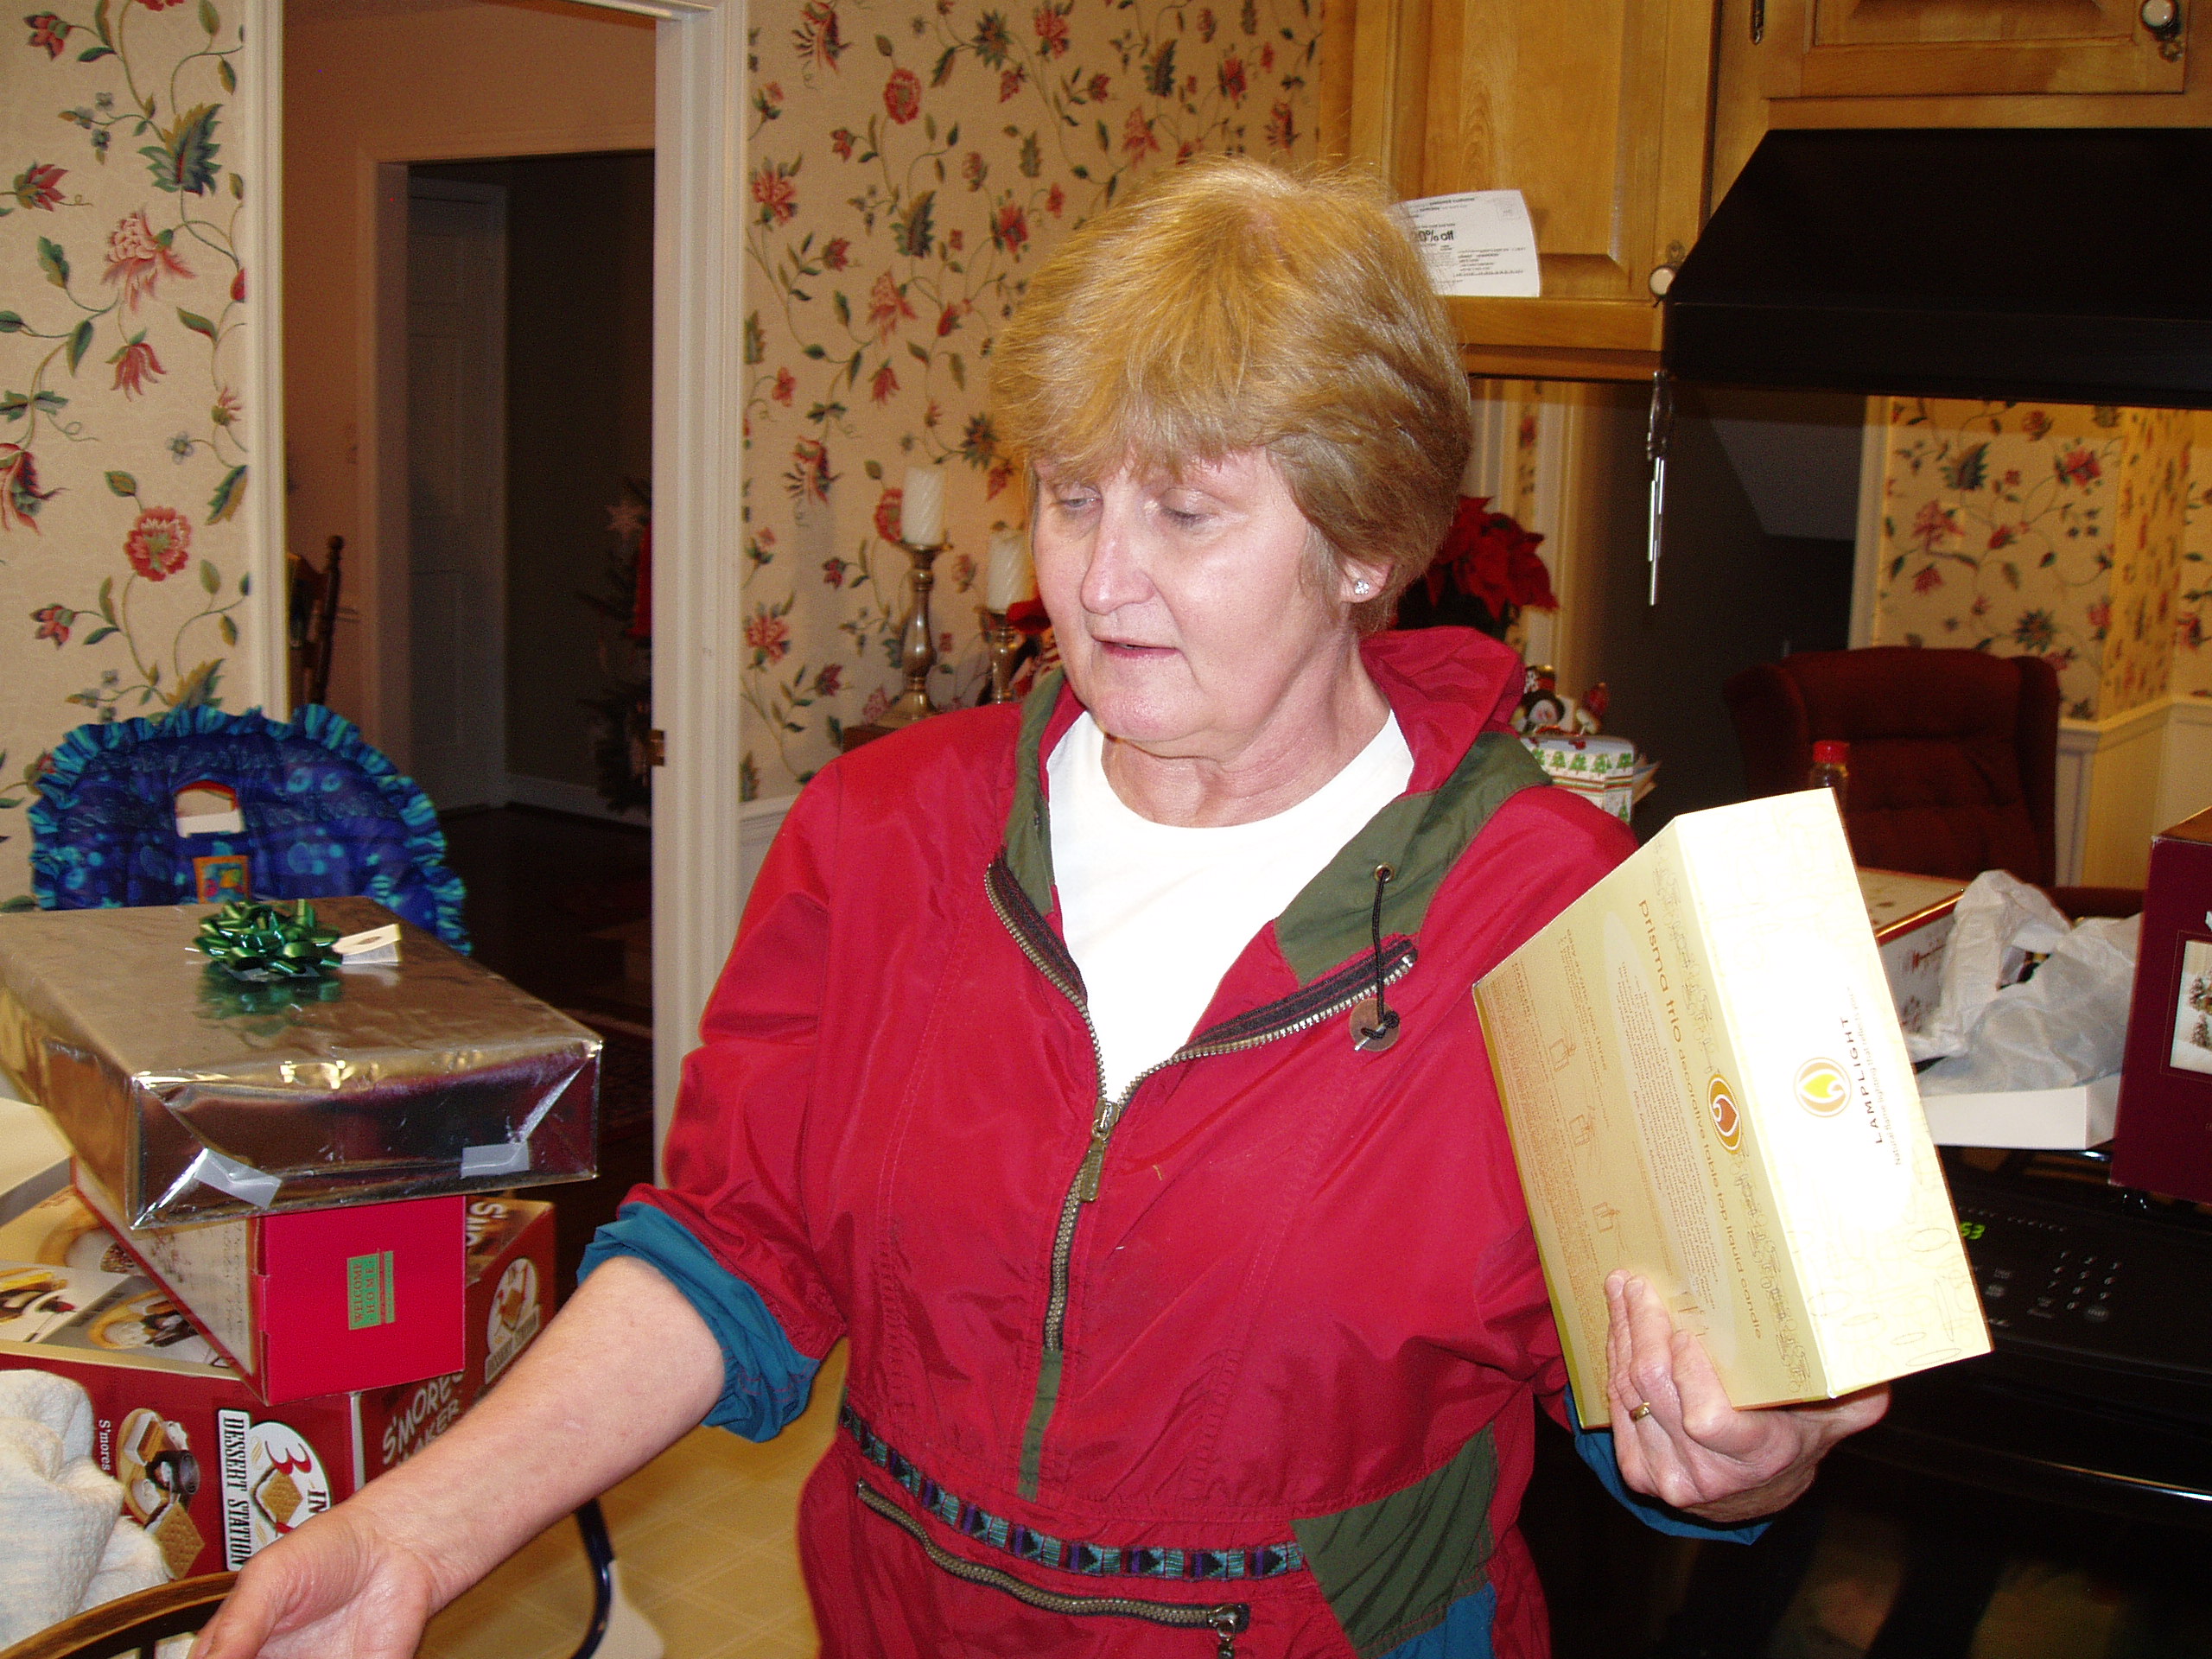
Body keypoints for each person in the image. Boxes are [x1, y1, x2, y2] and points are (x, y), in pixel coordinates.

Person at [195, 157, 1884, 1659]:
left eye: (1186, 512)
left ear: (1366, 542)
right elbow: (735, 1248)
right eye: (1073, 495)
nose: (1098, 578)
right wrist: (417, 1530)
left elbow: (1669, 1373)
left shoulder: (1551, 909)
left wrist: (1736, 1449)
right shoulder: (884, 831)